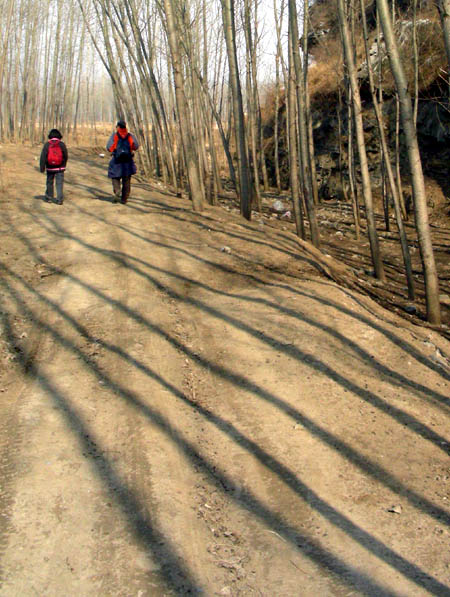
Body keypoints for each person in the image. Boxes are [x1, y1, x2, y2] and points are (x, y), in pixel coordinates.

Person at [106, 120, 139, 204]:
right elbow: (136, 146)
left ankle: (117, 190)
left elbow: (109, 147)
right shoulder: (130, 136)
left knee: (114, 177)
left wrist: (114, 150)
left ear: (118, 127)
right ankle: (124, 198)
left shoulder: (114, 136)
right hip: (128, 161)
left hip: (117, 161)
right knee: (126, 180)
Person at [40, 129, 68, 205]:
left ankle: (49, 197)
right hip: (60, 168)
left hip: (50, 168)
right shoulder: (62, 144)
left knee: (49, 182)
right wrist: (64, 164)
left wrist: (42, 168)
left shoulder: (47, 145)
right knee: (59, 183)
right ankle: (59, 199)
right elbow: (65, 155)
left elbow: (43, 157)